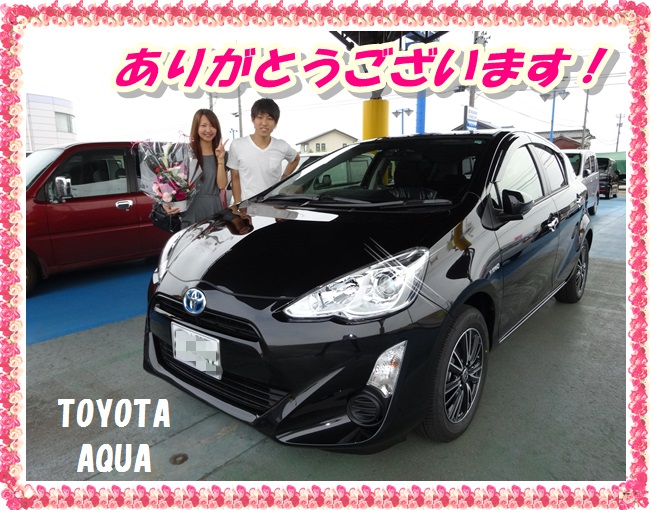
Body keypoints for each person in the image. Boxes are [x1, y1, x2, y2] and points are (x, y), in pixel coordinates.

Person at [228, 98, 300, 203]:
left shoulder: (282, 146)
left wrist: (284, 177)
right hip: (248, 207)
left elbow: (296, 159)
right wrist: (239, 205)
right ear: (253, 119)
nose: (264, 123)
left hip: (273, 205)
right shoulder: (237, 145)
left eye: (270, 118)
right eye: (260, 117)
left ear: (275, 122)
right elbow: (235, 178)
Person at [164, 109, 228, 227]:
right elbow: (171, 183)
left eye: (212, 126)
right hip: (190, 210)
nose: (208, 130)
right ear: (196, 127)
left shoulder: (223, 154)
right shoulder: (184, 153)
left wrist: (220, 159)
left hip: (214, 208)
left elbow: (221, 185)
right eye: (203, 125)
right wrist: (165, 202)